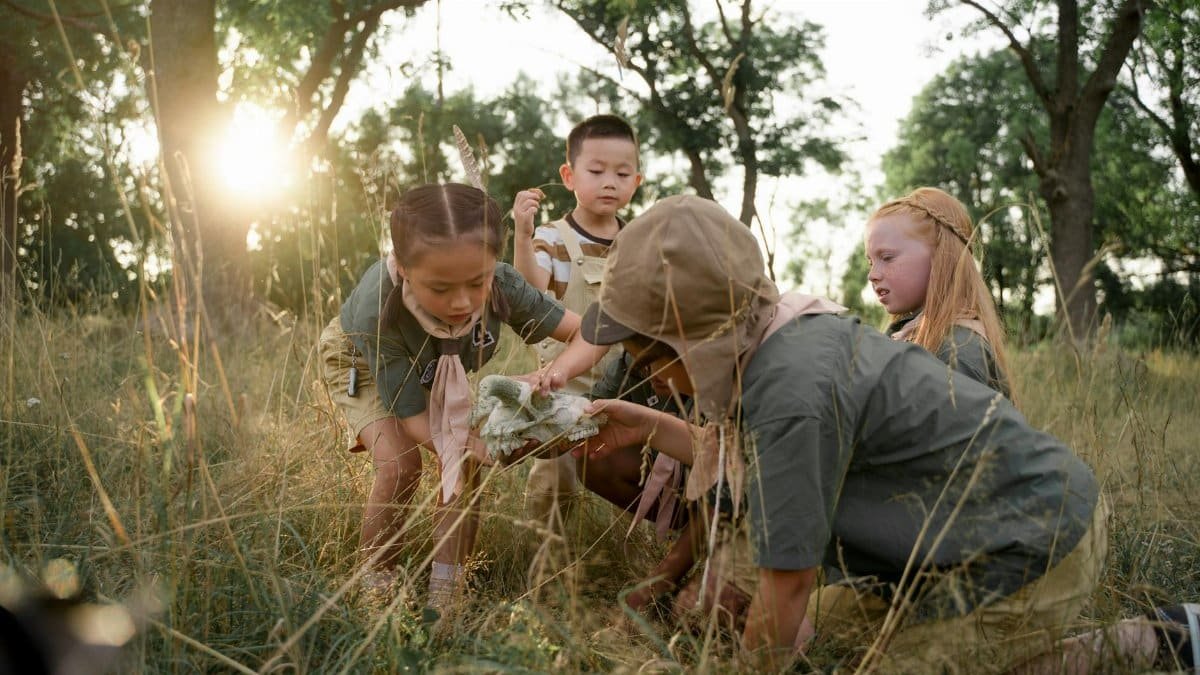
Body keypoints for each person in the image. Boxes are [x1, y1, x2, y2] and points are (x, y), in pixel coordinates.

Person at [561, 194, 1196, 673]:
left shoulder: (790, 392)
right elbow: (755, 459)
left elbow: (785, 587)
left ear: (690, 342)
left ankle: (1159, 640)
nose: (653, 379)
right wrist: (646, 424)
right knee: (829, 633)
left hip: (1032, 539)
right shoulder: (780, 335)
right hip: (944, 544)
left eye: (650, 363)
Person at [317, 183, 605, 609]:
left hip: (433, 366)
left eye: (478, 282)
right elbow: (414, 417)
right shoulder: (378, 308)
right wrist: (480, 444)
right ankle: (376, 586)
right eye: (439, 288)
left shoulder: (504, 284)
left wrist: (552, 374)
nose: (462, 302)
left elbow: (590, 333)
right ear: (402, 267)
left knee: (464, 463)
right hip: (360, 361)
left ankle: (447, 590)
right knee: (401, 463)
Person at [511, 113, 643, 530]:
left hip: (625, 382)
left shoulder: (638, 240)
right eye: (597, 171)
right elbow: (532, 290)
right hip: (564, 380)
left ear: (636, 182)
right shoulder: (552, 237)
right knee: (557, 476)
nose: (610, 182)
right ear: (569, 176)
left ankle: (627, 549)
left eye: (622, 173)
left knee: (636, 463)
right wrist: (521, 233)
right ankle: (545, 558)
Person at [866, 186, 1014, 398]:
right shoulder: (910, 335)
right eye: (870, 262)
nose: (872, 275)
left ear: (941, 257)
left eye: (887, 257)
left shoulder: (958, 353)